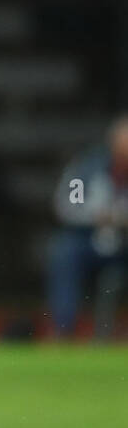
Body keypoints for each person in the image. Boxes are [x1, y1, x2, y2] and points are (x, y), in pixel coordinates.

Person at [47, 114, 128, 338]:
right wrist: (95, 216)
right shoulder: (86, 170)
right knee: (64, 251)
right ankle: (63, 330)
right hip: (89, 238)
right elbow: (65, 206)